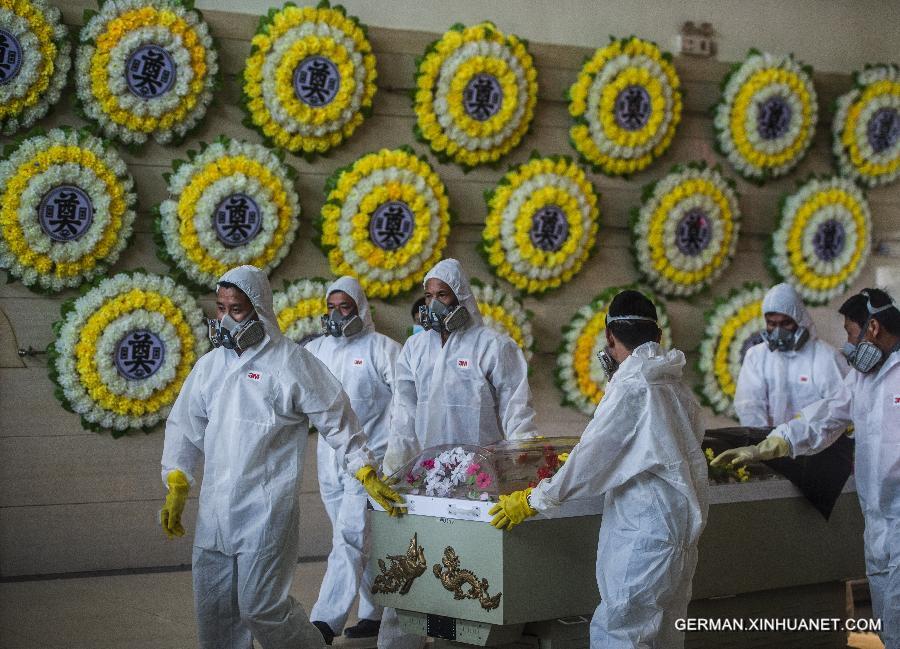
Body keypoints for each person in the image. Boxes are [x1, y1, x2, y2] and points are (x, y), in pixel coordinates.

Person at [159, 265, 403, 649]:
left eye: (236, 309)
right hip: (215, 511)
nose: (225, 319)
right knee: (215, 611)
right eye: (220, 308)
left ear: (258, 308)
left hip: (265, 511)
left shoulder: (289, 361)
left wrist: (364, 467)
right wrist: (177, 477)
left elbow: (336, 416)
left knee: (261, 607)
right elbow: (185, 426)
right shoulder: (209, 367)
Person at [490, 289, 709, 649]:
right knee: (664, 634)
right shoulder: (673, 383)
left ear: (609, 335)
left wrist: (534, 499)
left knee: (620, 634)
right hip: (678, 535)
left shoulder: (633, 386)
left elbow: (592, 458)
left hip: (644, 536)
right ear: (657, 336)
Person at [713, 288, 900, 648]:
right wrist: (773, 443)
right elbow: (826, 416)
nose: (847, 343)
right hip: (878, 521)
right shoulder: (864, 376)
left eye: (849, 332)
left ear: (873, 328)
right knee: (889, 626)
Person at [378, 258, 539, 649]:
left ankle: (463, 641)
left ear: (462, 297)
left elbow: (517, 411)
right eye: (429, 296)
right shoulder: (414, 349)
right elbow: (403, 415)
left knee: (468, 567)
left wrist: (522, 470)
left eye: (443, 295)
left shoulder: (494, 346)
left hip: (479, 480)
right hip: (424, 479)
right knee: (408, 568)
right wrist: (392, 471)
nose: (434, 305)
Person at [305, 276, 401, 644]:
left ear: (360, 307)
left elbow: (407, 400)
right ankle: (374, 613)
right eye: (332, 307)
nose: (337, 315)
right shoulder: (316, 351)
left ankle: (324, 622)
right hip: (328, 461)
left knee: (349, 538)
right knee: (355, 540)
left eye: (345, 307)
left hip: (370, 461)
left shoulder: (381, 349)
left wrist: (397, 451)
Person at [734, 283, 847, 427]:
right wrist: (763, 442)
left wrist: (796, 438)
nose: (778, 331)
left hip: (816, 446)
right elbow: (749, 406)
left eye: (785, 323)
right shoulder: (756, 357)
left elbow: (839, 409)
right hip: (768, 445)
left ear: (800, 321)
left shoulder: (826, 357)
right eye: (771, 324)